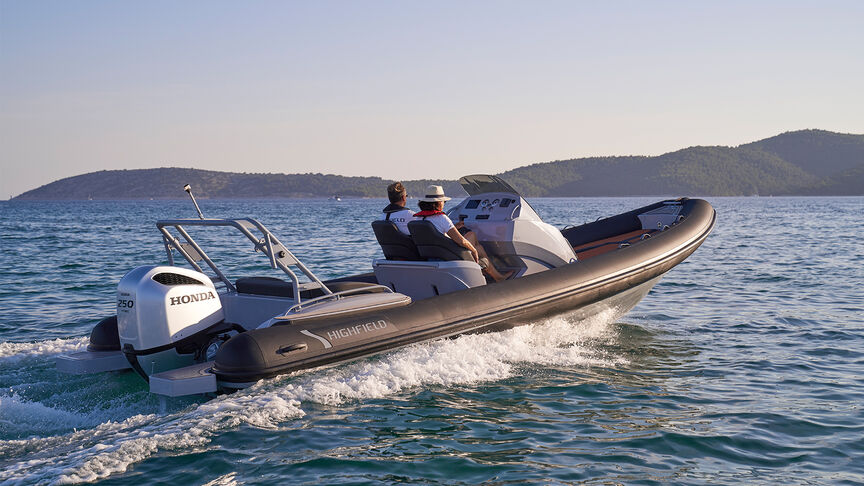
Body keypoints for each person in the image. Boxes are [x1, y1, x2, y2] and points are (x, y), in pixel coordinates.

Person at [413, 185, 512, 282]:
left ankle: (490, 273)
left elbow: (436, 235)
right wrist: (473, 250)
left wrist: (454, 227)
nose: (444, 204)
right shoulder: (441, 218)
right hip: (448, 257)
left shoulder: (418, 219)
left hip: (432, 256)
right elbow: (461, 241)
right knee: (475, 244)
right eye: (444, 201)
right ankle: (494, 275)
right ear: (438, 203)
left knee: (477, 245)